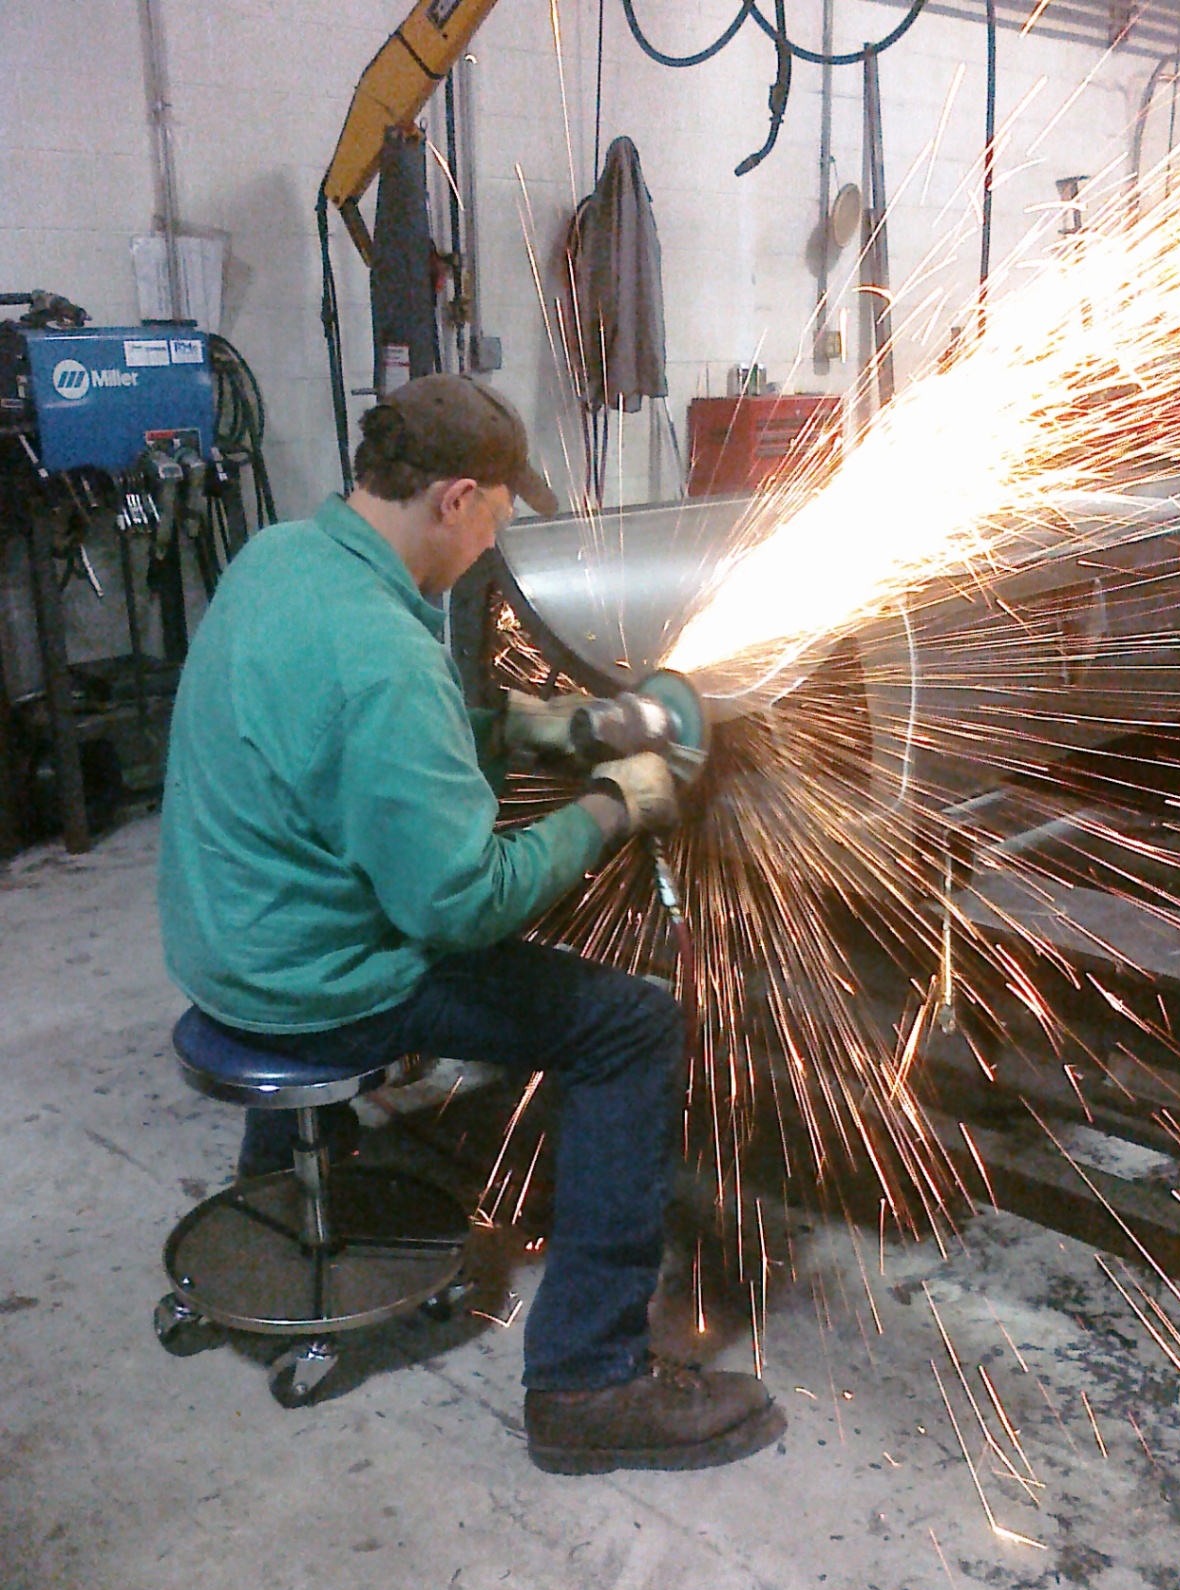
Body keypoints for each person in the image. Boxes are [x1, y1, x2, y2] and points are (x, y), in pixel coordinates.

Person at [157, 374, 785, 1474]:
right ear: (454, 499)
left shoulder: (280, 561)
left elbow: (407, 735)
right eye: (497, 510)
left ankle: (287, 1183)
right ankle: (587, 1384)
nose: (497, 532)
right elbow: (462, 901)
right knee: (628, 1024)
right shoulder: (385, 656)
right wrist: (619, 799)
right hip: (310, 984)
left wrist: (595, 724)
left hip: (220, 943)